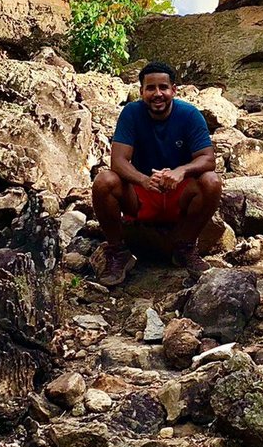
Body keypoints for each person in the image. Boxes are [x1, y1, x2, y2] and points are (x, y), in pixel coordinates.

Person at [92, 61, 222, 285]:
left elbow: (208, 159)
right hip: (142, 194)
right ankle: (118, 251)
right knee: (104, 181)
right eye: (150, 88)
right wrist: (143, 180)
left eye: (163, 87)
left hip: (177, 194)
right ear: (141, 91)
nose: (157, 94)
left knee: (211, 181)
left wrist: (181, 171)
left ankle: (185, 247)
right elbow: (118, 161)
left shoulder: (189, 115)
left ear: (174, 90)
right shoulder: (131, 113)